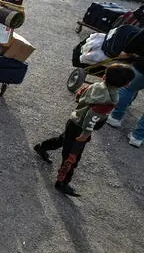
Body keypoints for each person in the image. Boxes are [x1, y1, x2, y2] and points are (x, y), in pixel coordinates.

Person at [34, 64, 134, 196]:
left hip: (74, 120)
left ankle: (42, 147)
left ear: (104, 76)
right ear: (125, 84)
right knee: (72, 157)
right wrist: (86, 133)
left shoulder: (97, 85)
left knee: (62, 140)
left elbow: (79, 95)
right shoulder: (110, 99)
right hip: (81, 128)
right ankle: (62, 182)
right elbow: (92, 116)